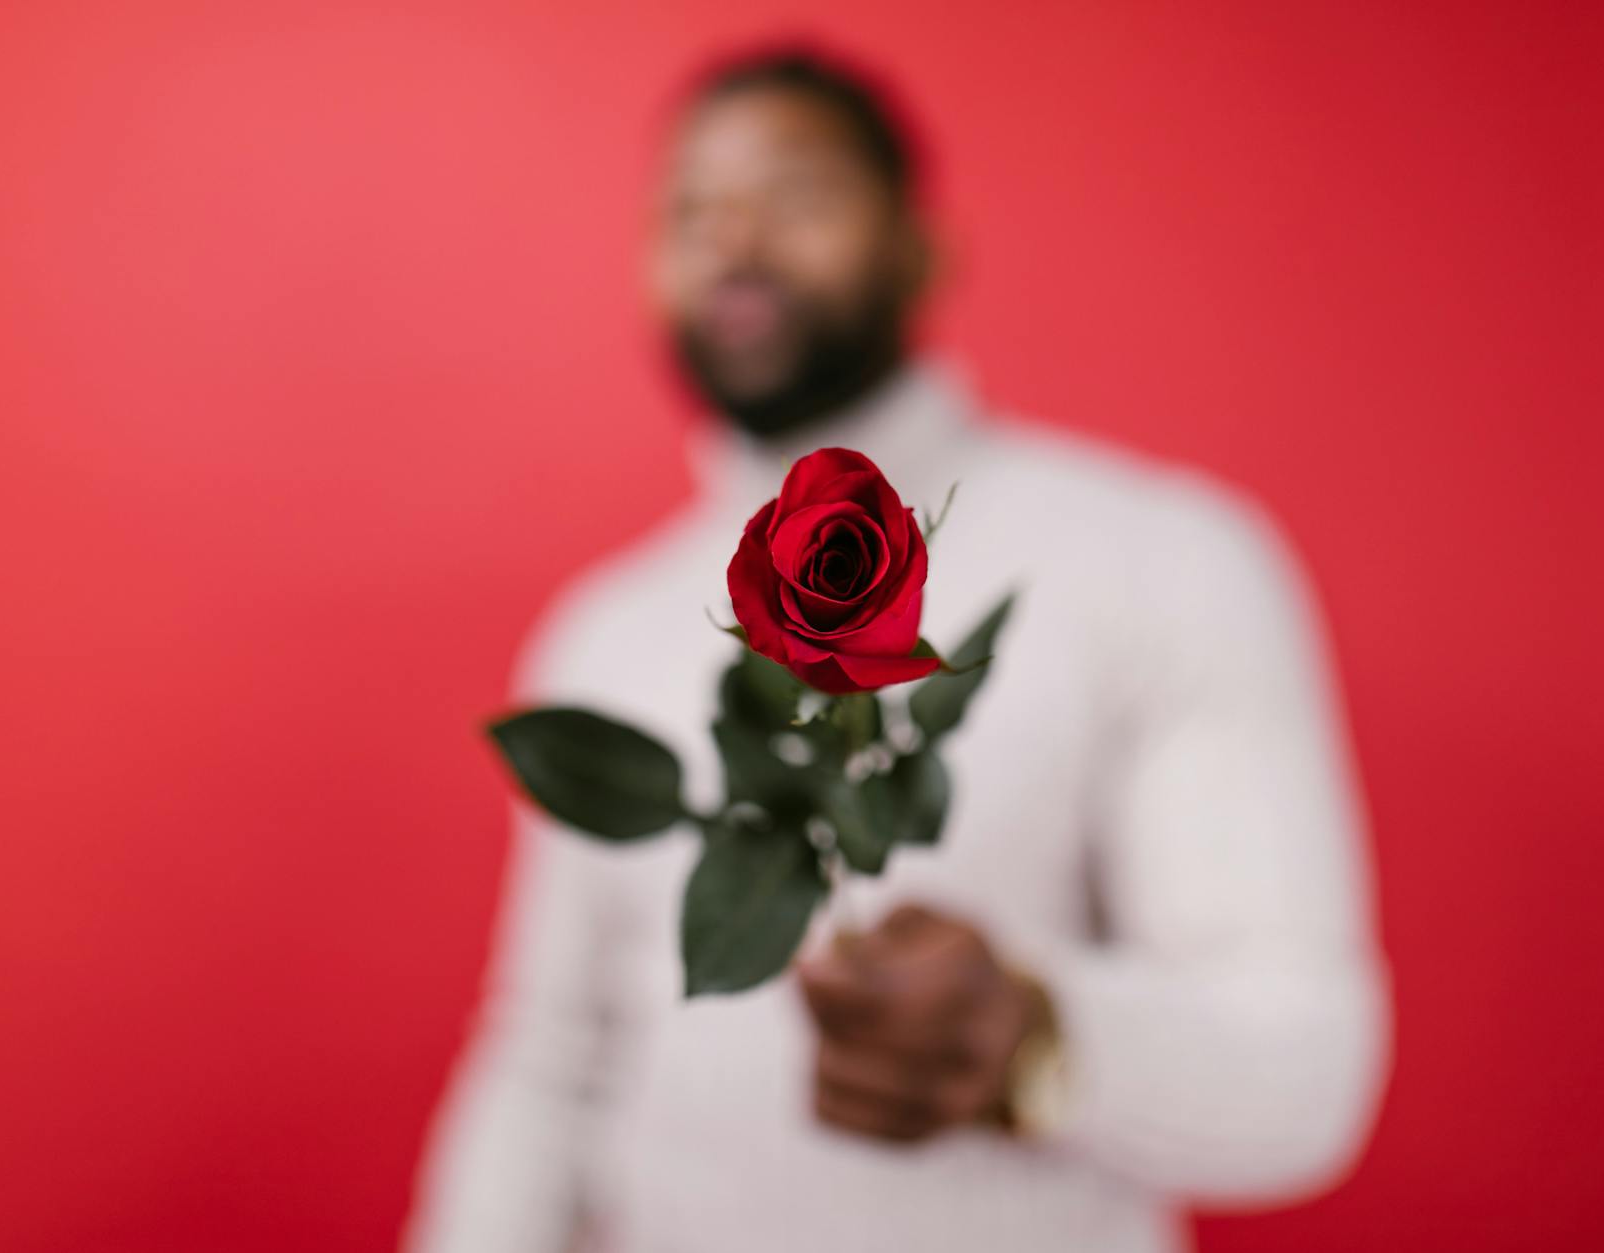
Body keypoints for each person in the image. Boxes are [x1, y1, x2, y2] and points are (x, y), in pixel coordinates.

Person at [405, 43, 1390, 1253]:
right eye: (690, 209)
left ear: (925, 248)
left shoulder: (1160, 560)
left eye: (796, 193)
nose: (734, 238)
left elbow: (1303, 1068)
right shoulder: (605, 632)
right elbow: (547, 1065)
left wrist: (1037, 1036)